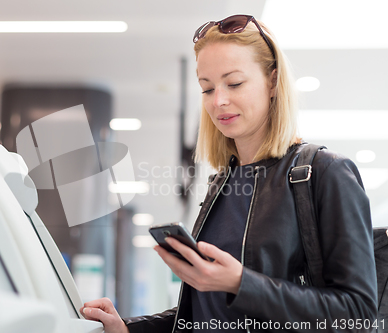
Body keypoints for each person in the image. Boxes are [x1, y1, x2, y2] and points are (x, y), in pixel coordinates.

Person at [79, 14, 377, 333]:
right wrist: (128, 328)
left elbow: (357, 313)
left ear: (273, 82)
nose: (219, 101)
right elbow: (208, 313)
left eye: (234, 83)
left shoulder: (324, 172)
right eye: (207, 88)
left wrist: (241, 283)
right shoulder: (223, 184)